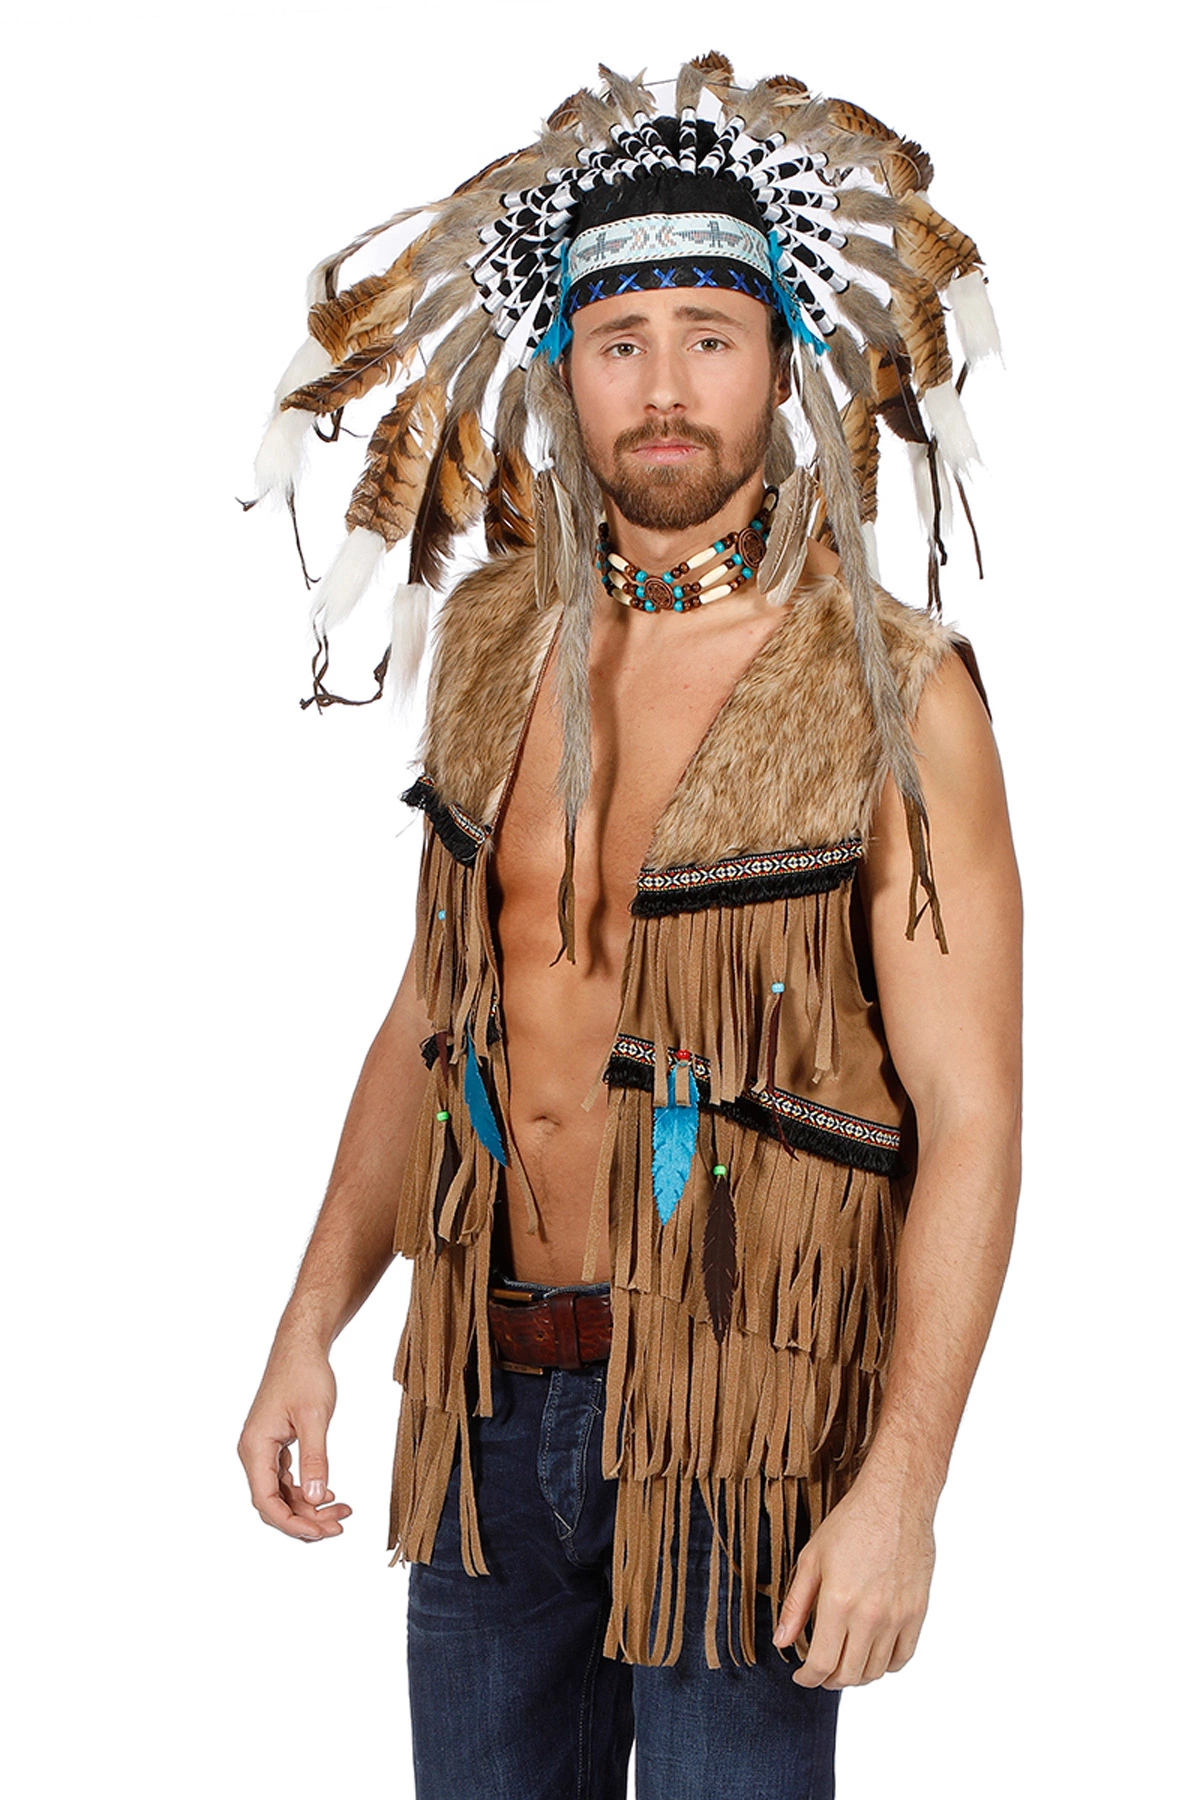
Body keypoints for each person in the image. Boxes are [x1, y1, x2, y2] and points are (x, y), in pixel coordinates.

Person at [238, 56, 1021, 1800]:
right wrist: (311, 1322)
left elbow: (973, 1118)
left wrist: (905, 1487)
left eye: (709, 337)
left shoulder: (895, 692)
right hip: (485, 1403)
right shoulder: (495, 640)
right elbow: (434, 1010)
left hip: (746, 1422)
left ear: (783, 364)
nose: (664, 390)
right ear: (562, 368)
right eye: (620, 342)